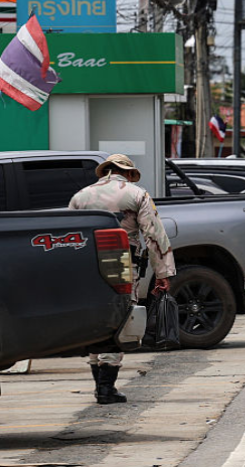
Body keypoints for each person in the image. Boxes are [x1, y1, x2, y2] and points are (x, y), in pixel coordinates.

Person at [68, 153, 176, 405]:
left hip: (86, 266)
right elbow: (154, 236)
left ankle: (100, 386)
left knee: (97, 320)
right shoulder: (137, 194)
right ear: (128, 173)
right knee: (119, 320)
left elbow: (69, 235)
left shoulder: (80, 197)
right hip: (122, 267)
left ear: (106, 171)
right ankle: (106, 388)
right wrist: (164, 273)